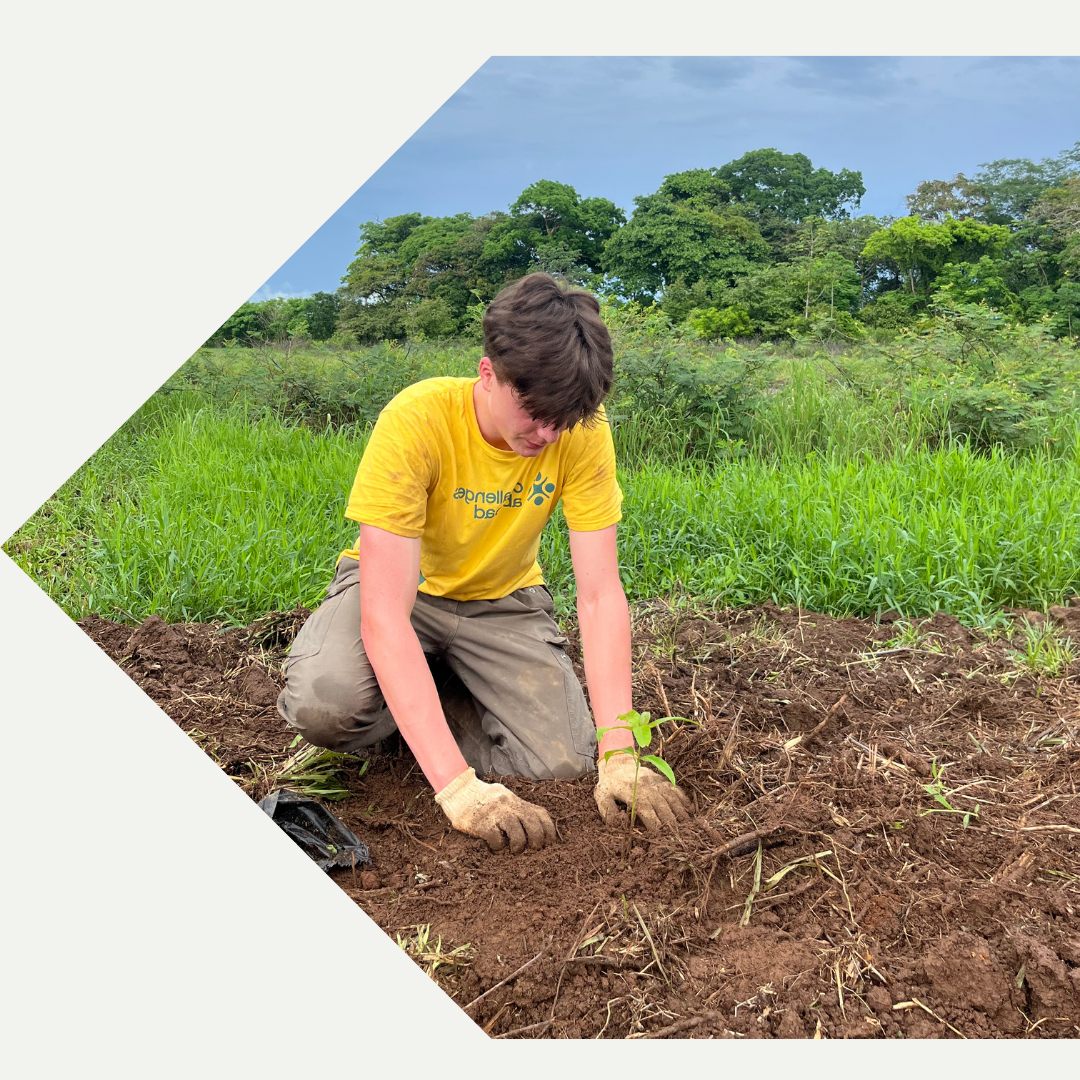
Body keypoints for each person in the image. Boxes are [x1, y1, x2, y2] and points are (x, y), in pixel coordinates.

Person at [277, 272, 691, 853]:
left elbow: (600, 596)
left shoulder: (579, 431)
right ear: (488, 372)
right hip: (407, 596)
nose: (548, 434)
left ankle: (435, 693)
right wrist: (459, 790)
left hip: (502, 601)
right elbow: (385, 613)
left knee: (564, 761)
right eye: (535, 412)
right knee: (327, 706)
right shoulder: (418, 419)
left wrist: (620, 753)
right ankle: (414, 711)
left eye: (564, 419)